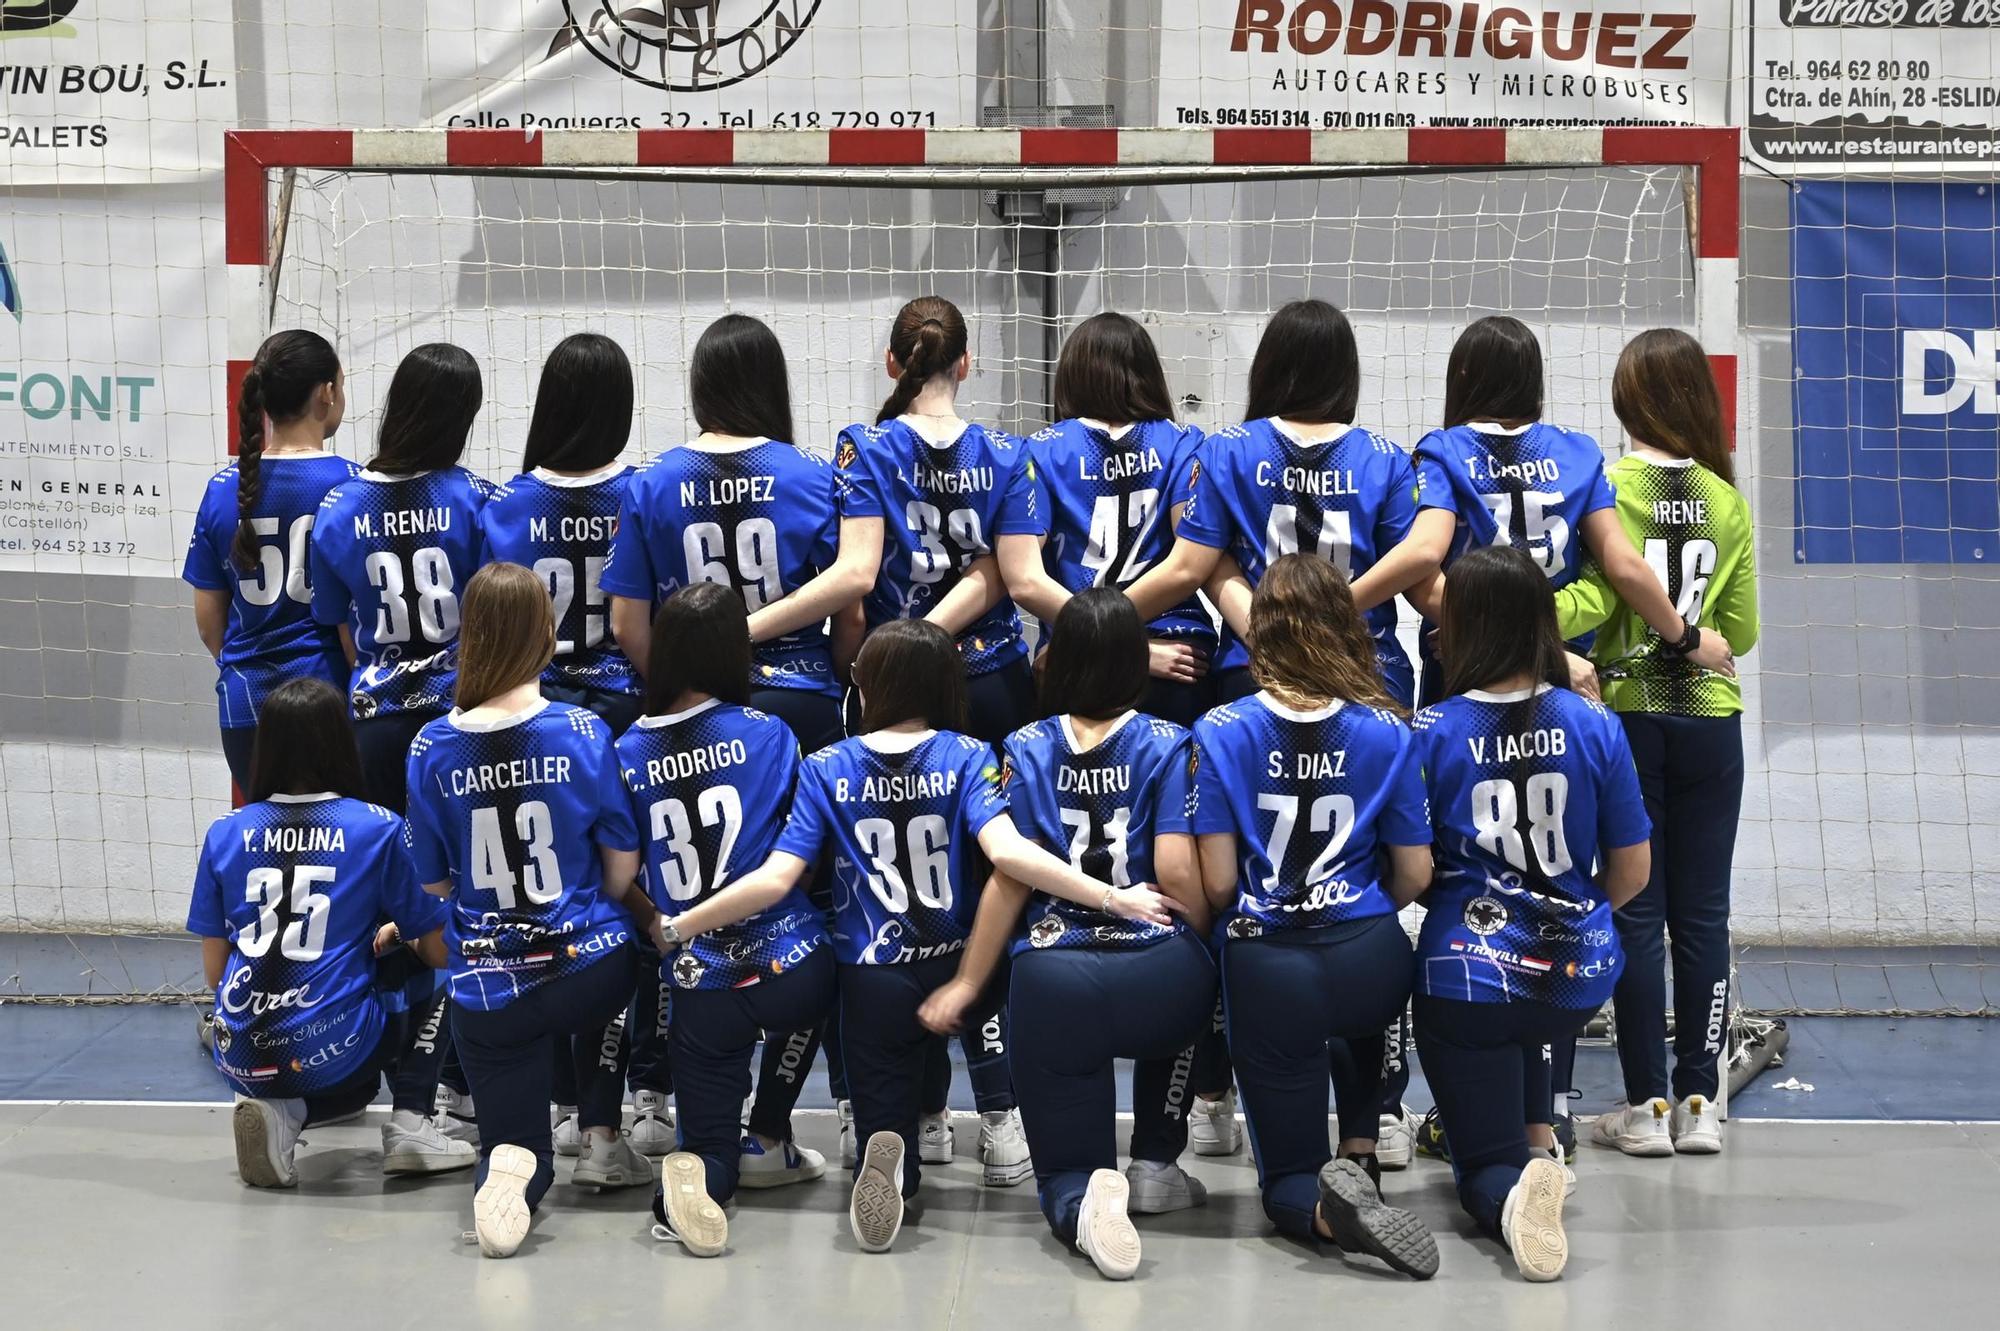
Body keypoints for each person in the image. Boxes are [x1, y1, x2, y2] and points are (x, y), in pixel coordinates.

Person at [652, 619, 1179, 1258]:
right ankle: (1006, 1134)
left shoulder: (826, 767)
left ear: (871, 687)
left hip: (873, 972)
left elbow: (777, 878)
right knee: (998, 1034)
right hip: (964, 962)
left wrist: (680, 925)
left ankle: (893, 1161)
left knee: (883, 1092)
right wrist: (1109, 895)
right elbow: (1010, 857)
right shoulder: (969, 755)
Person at [1349, 313, 1733, 1152]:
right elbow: (1625, 567)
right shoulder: (1578, 452)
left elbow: (1426, 564)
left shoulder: (1442, 450)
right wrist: (1680, 638)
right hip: (1570, 691)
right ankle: (1548, 1108)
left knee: (1455, 875)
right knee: (1560, 879)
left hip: (1467, 677)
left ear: (1463, 379)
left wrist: (1337, 605)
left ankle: (1430, 1105)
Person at [1124, 298, 1420, 1160]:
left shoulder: (1227, 451)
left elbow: (1200, 562)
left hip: (1249, 678)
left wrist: (1095, 627)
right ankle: (1379, 1116)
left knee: (1231, 896)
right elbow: (1419, 561)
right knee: (1374, 892)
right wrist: (1332, 625)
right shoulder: (1385, 459)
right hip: (1369, 682)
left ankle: (1213, 1096)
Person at [602, 312, 856, 1161]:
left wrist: (675, 695)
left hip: (678, 713)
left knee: (669, 901)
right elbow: (850, 618)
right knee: (808, 916)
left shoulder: (651, 482)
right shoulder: (815, 476)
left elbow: (629, 620)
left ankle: (648, 1097)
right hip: (800, 711)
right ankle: (776, 1128)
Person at [830, 295, 1039, 1177]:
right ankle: (1001, 1117)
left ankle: (906, 1115)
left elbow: (857, 582)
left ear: (892, 364)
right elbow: (1013, 578)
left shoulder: (863, 446)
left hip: (891, 687)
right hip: (987, 684)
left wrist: (881, 657)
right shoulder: (1006, 453)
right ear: (969, 362)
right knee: (990, 889)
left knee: (881, 890)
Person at [1189, 554, 1439, 1280]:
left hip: (1271, 963)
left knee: (1285, 1180)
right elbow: (1417, 872)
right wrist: (1362, 911)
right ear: (1349, 628)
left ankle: (1327, 1206)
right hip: (1368, 952)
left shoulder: (1220, 727)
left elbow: (1218, 879)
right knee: (1360, 1015)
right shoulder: (1390, 729)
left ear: (1261, 630)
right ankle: (1361, 1145)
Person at [1409, 544, 1652, 1282]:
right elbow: (1634, 871)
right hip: (1577, 975)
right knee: (1526, 1018)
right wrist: (1567, 917)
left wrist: (1471, 909)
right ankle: (1539, 1142)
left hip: (1472, 978)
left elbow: (1414, 874)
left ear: (1464, 628)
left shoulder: (1430, 730)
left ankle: (1511, 1188)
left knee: (1476, 1158)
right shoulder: (1594, 723)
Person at [402, 563, 659, 1258]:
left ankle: (511, 1170)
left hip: (488, 991)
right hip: (587, 971)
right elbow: (620, 872)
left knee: (514, 1140)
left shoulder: (429, 746)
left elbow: (433, 886)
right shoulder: (582, 729)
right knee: (626, 950)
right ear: (545, 632)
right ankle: (604, 1132)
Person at [965, 588, 1217, 1279]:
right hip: (1156, 965)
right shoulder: (1170, 741)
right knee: (1201, 965)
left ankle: (1082, 1196)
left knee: (1063, 1168)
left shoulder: (1019, 745)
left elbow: (1009, 873)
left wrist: (968, 981)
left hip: (1055, 969)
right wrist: (1195, 939)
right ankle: (1157, 1160)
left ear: (1060, 659)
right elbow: (1173, 868)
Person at [1555, 330, 1758, 1157]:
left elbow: (1594, 601)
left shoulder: (1607, 483)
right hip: (1713, 718)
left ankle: (1644, 1105)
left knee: (1635, 911)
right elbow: (1739, 629)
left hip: (1631, 715)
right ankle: (1699, 1101)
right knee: (1703, 917)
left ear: (1626, 396)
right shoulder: (1726, 496)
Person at [610, 584, 838, 1258]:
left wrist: (660, 921)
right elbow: (804, 856)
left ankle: (703, 1171)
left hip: (697, 978)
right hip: (790, 960)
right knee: (832, 981)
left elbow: (617, 879)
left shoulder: (623, 751)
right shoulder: (770, 732)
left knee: (705, 1142)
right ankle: (769, 1132)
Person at [480, 333, 660, 1154]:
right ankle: (617, 1107)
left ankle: (547, 1102)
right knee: (620, 914)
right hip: (619, 726)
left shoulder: (505, 503)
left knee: (540, 908)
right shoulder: (643, 494)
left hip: (530, 725)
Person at [187, 676, 475, 1187]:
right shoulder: (378, 827)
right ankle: (410, 1120)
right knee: (458, 960)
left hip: (240, 1052)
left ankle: (282, 1108)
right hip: (337, 1055)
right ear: (342, 742)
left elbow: (214, 972)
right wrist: (400, 937)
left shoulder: (225, 832)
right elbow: (436, 950)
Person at [996, 312, 1214, 726]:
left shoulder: (1039, 451)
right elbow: (1188, 566)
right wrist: (1130, 644)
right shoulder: (1184, 444)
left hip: (1076, 659)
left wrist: (1096, 634)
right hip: (1178, 653)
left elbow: (1023, 579)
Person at [309, 342, 493, 813]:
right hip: (460, 717)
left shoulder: (338, 507)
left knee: (391, 871)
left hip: (377, 719)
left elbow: (340, 628)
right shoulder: (476, 500)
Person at [185, 330, 354, 792]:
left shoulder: (223, 489)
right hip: (332, 701)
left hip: (247, 704)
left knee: (265, 845)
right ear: (328, 392)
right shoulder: (356, 488)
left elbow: (208, 624)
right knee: (340, 849)